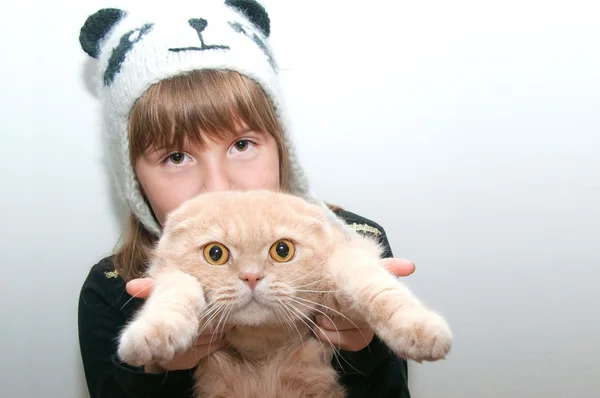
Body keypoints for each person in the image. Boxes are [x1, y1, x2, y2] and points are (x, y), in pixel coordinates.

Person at [77, 2, 415, 397]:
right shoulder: (112, 290)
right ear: (134, 181)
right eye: (176, 157)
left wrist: (366, 347)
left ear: (282, 149)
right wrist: (155, 370)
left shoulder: (348, 241)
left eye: (241, 144)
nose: (218, 186)